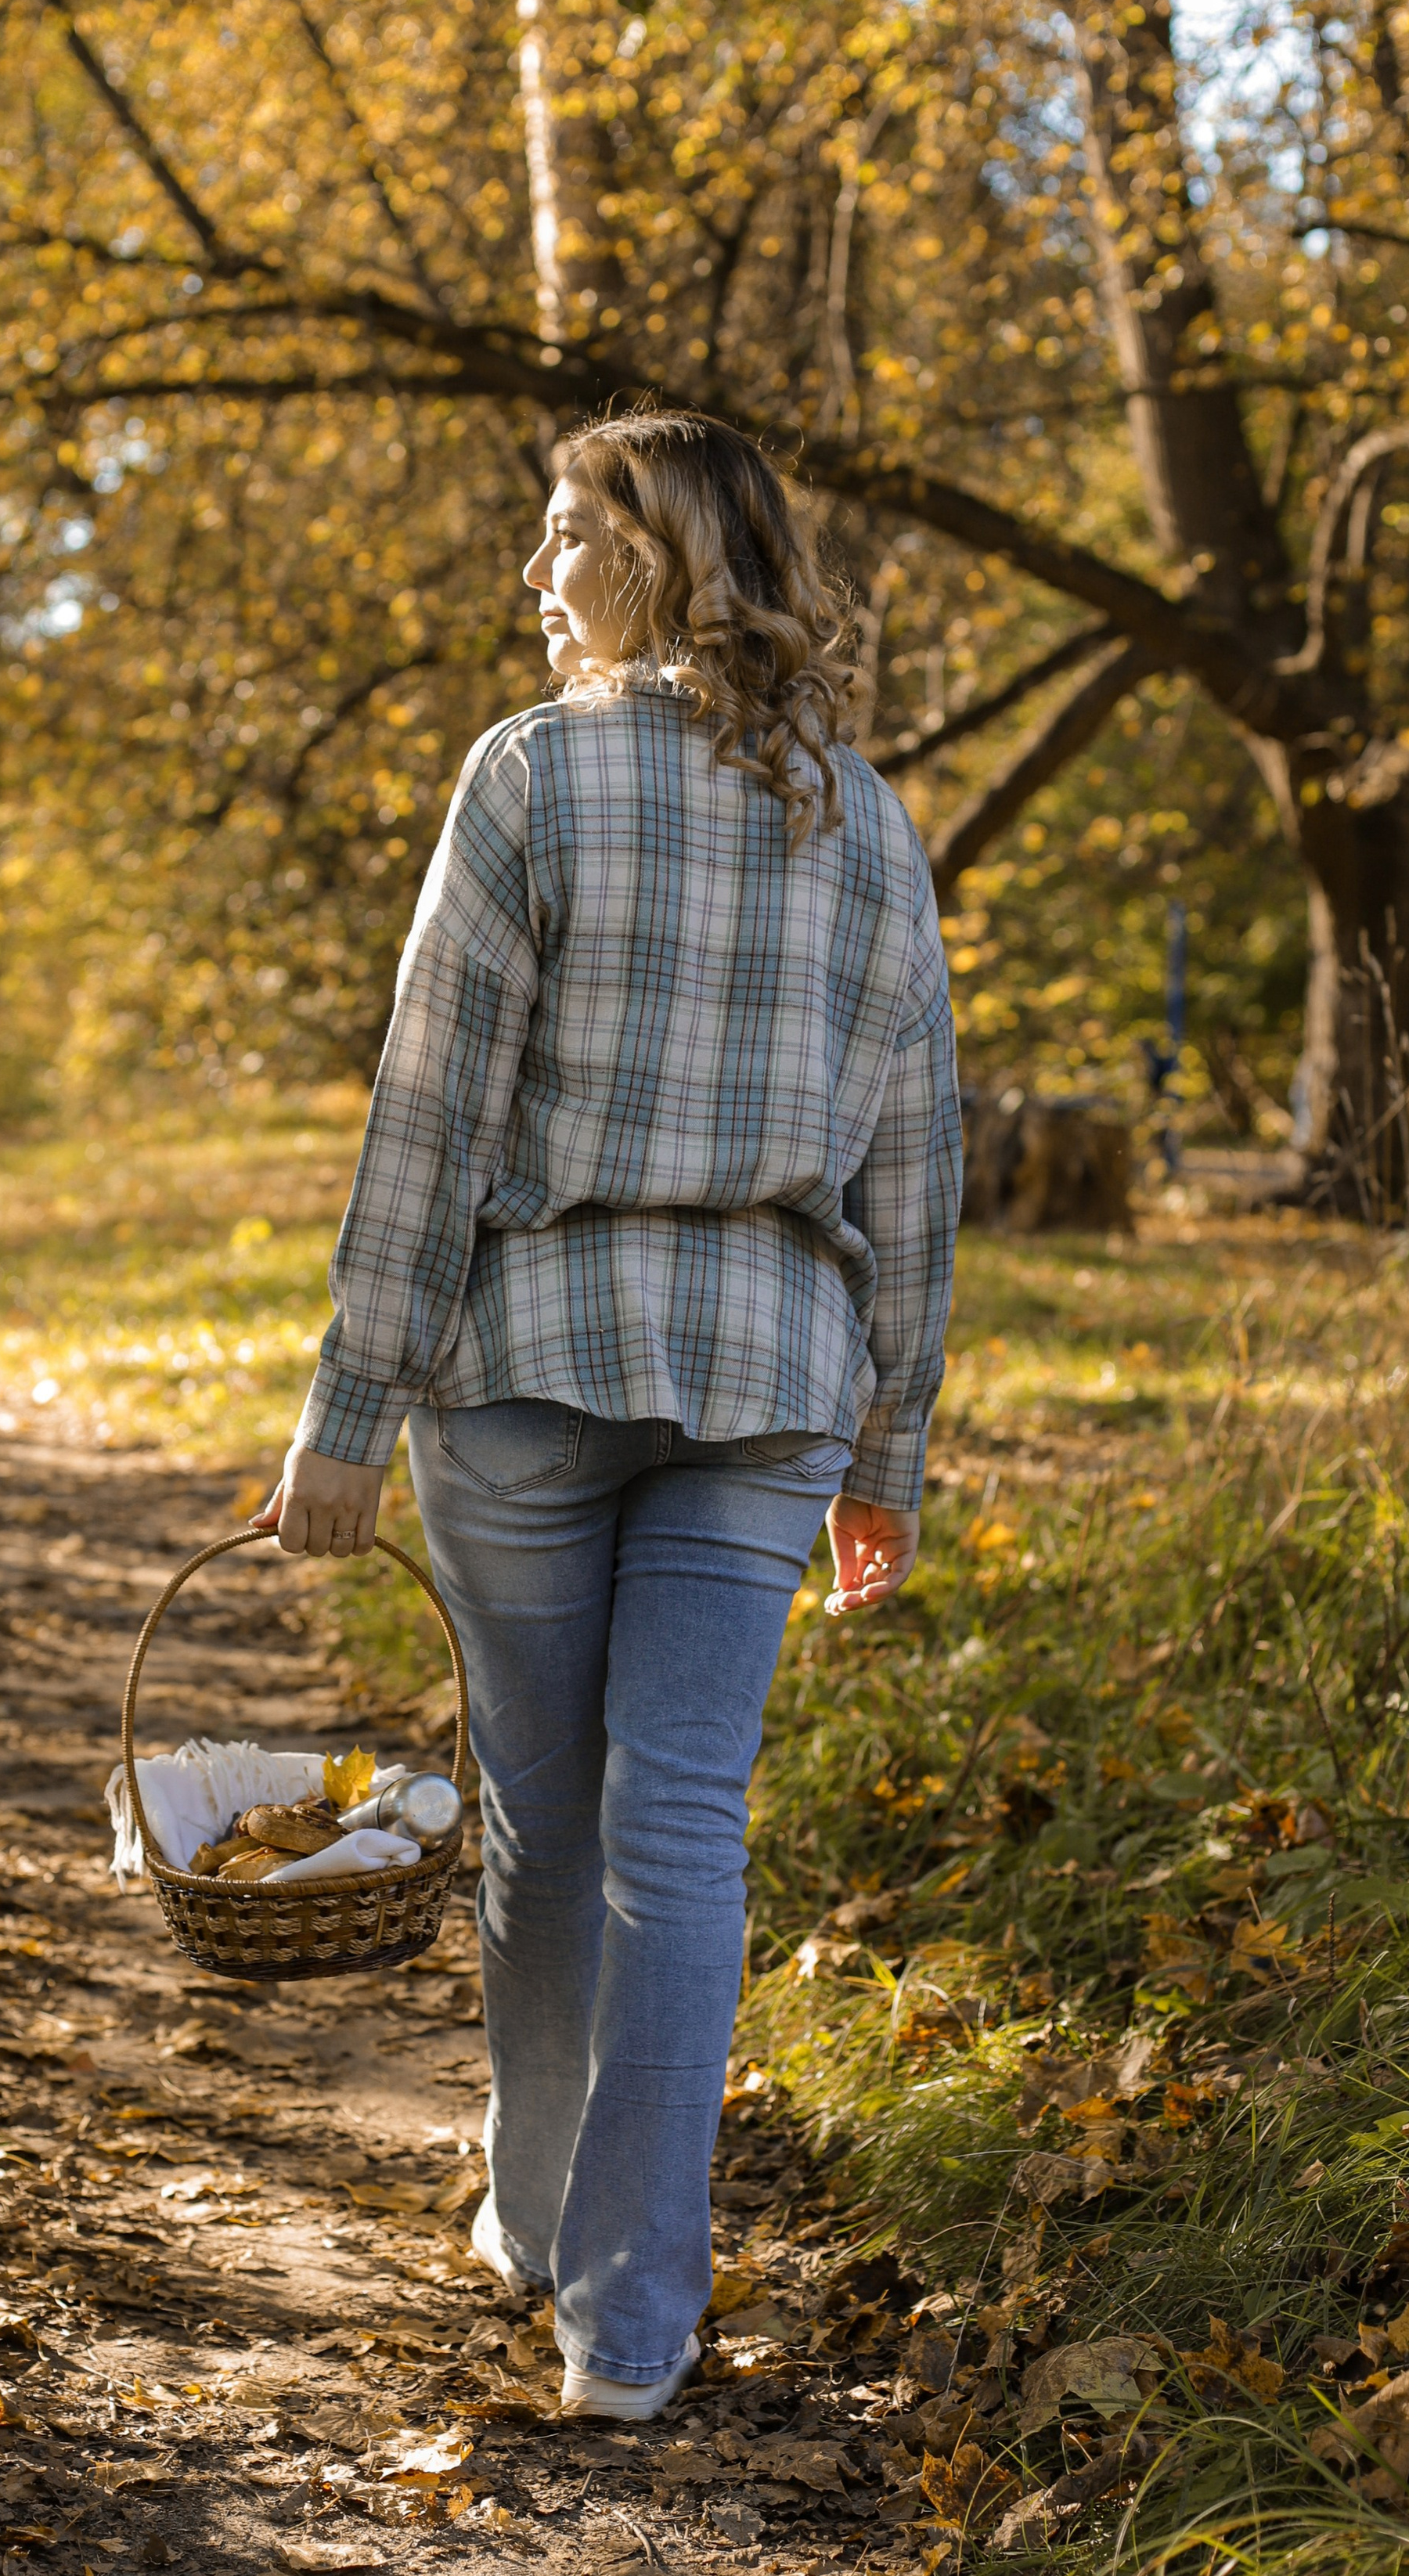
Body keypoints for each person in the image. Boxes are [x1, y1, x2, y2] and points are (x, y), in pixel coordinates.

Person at [253, 410, 960, 2420]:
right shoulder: (866, 820)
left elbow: (428, 1114)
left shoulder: (529, 775)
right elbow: (917, 1157)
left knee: (548, 1826)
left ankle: (541, 2214)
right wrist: (890, 1454)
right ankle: (630, 2323)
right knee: (679, 1833)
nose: (536, 573)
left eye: (566, 534)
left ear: (655, 558)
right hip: (772, 1378)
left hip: (532, 1366)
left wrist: (346, 1409)